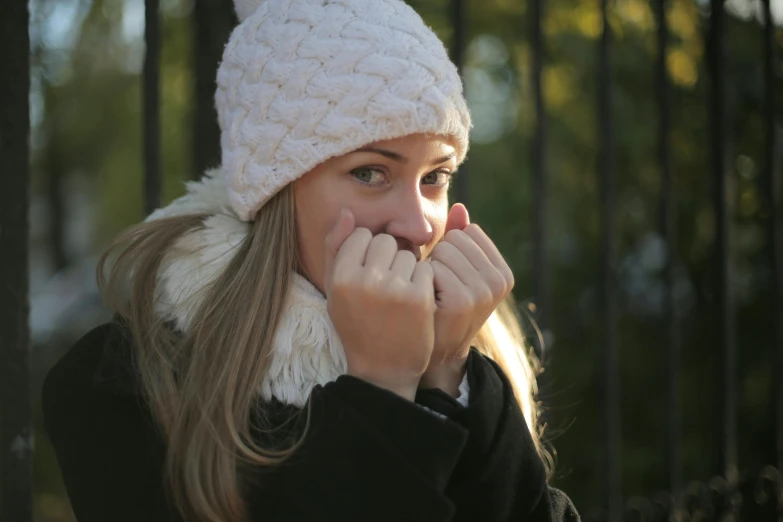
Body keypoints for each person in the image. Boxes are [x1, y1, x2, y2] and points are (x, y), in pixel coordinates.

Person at [42, 0, 581, 520]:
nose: (418, 226)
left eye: (434, 177)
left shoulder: (475, 350)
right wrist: (382, 390)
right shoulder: (124, 382)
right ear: (276, 189)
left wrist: (447, 380)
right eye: (370, 173)